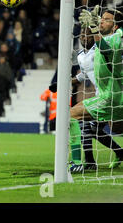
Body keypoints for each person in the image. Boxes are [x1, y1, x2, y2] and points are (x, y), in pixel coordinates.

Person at [51, 24, 123, 172]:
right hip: (102, 96)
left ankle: (83, 161)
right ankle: (96, 158)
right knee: (92, 128)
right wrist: (62, 83)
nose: (84, 38)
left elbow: (109, 52)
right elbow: (83, 75)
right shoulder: (80, 56)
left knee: (75, 118)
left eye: (88, 35)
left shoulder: (100, 49)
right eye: (82, 35)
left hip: (112, 95)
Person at [72, 6, 123, 168]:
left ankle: (77, 162)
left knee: (70, 116)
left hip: (111, 97)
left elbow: (105, 49)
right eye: (102, 18)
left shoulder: (116, 37)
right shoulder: (91, 48)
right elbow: (88, 71)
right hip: (111, 95)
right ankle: (118, 153)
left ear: (115, 26)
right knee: (93, 129)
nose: (102, 21)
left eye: (107, 20)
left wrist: (94, 28)